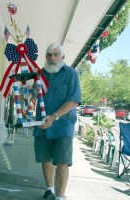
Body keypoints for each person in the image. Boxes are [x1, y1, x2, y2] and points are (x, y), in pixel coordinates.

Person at [34, 43, 82, 200]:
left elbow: (74, 100)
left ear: (63, 57)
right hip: (42, 124)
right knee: (45, 158)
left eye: (55, 54)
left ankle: (60, 197)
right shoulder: (39, 74)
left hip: (63, 125)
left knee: (62, 162)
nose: (52, 58)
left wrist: (54, 116)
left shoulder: (71, 74)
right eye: (49, 54)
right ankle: (50, 190)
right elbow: (34, 96)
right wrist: (30, 92)